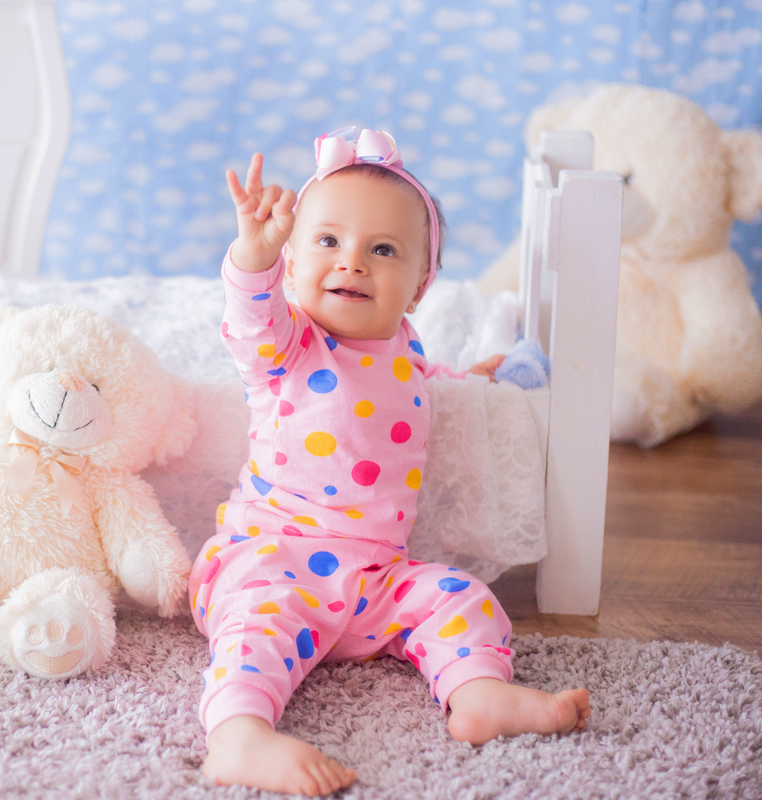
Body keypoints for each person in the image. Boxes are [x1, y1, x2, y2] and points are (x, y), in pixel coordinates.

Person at [191, 128, 591, 797]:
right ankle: (238, 734)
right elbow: (250, 318)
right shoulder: (288, 348)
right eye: (327, 241)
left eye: (382, 250)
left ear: (418, 287)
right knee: (257, 631)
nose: (351, 262)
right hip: (273, 557)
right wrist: (253, 256)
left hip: (376, 578)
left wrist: (473, 379)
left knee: (459, 595)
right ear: (291, 266)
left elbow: (421, 384)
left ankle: (478, 693)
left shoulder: (405, 346)